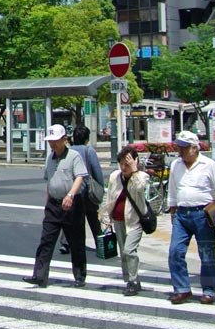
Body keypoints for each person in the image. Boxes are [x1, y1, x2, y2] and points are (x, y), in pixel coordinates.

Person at [167, 129, 215, 305]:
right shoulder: (175, 165)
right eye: (179, 147)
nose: (180, 151)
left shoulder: (208, 165)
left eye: (184, 147)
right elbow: (173, 189)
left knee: (207, 254)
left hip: (203, 215)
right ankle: (182, 289)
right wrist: (172, 210)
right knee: (175, 251)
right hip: (181, 214)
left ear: (195, 148)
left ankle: (209, 290)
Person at [22, 124, 88, 289]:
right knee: (46, 240)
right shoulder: (49, 158)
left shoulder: (74, 156)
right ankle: (40, 276)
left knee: (76, 242)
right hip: (54, 204)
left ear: (64, 140)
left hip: (72, 203)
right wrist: (47, 202)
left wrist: (71, 195)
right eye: (50, 141)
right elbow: (50, 181)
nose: (53, 144)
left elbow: (80, 176)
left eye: (56, 141)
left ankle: (79, 275)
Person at [100, 145, 150, 296]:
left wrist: (134, 170)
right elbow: (109, 197)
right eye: (121, 163)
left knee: (129, 250)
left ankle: (133, 281)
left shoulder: (141, 176)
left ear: (135, 162)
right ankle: (131, 279)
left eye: (127, 164)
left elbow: (140, 187)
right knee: (123, 253)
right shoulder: (116, 176)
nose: (124, 167)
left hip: (135, 222)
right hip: (119, 220)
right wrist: (106, 218)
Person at [60, 125, 104, 255]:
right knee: (92, 218)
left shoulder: (68, 151)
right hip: (86, 190)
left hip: (70, 190)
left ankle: (65, 243)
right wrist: (100, 187)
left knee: (69, 216)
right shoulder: (89, 151)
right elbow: (97, 171)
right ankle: (100, 244)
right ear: (86, 138)